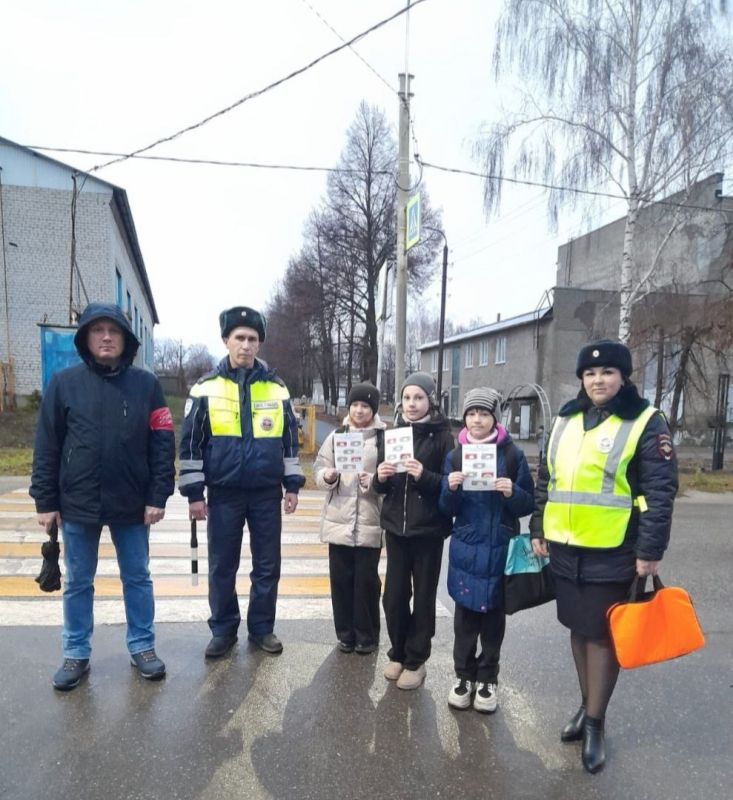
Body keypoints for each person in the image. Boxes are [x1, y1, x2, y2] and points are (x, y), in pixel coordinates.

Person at [530, 340, 678, 774]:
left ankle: (595, 722)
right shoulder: (566, 418)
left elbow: (660, 491)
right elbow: (548, 477)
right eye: (591, 374)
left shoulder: (647, 422)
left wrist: (650, 551)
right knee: (578, 628)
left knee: (601, 635)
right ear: (581, 379)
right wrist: (539, 526)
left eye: (608, 373)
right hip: (565, 546)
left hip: (615, 549)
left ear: (623, 378)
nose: (598, 380)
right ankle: (586, 705)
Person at [30, 302, 175, 690]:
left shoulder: (146, 385)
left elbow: (162, 442)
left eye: (114, 331)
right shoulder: (64, 383)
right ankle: (76, 653)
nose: (106, 337)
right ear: (86, 338)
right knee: (78, 581)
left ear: (126, 340)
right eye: (98, 330)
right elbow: (47, 445)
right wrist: (45, 501)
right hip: (78, 503)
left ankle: (143, 646)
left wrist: (158, 495)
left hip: (132, 502)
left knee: (137, 578)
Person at [178, 306, 305, 658]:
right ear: (226, 341)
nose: (246, 345)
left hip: (266, 493)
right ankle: (223, 629)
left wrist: (291, 485)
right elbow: (190, 444)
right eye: (240, 338)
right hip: (224, 493)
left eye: (252, 339)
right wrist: (194, 493)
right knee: (222, 566)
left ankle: (262, 628)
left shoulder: (277, 388)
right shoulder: (205, 388)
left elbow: (290, 441)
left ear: (259, 344)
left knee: (267, 566)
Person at [439, 387, 535, 713]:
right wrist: (450, 488)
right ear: (464, 417)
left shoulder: (512, 455)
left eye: (483, 413)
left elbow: (528, 503)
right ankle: (463, 677)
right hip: (466, 550)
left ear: (494, 417)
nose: (477, 419)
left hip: (500, 550)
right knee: (464, 620)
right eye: (471, 413)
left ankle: (488, 679)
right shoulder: (454, 456)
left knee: (493, 620)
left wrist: (512, 492)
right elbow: (445, 507)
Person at [375, 372, 454, 690]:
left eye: (418, 398)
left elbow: (450, 484)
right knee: (393, 596)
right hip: (396, 527)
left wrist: (425, 476)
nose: (412, 403)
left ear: (430, 401)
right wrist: (380, 475)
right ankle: (398, 651)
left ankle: (416, 660)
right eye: (407, 398)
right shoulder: (393, 434)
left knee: (423, 598)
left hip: (428, 530)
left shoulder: (443, 437)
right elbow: (383, 484)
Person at [314, 382, 386, 654]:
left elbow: (391, 478)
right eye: (355, 405)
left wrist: (375, 481)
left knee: (366, 582)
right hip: (339, 521)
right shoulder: (337, 436)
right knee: (341, 581)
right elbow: (320, 468)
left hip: (370, 520)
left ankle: (367, 635)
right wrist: (327, 477)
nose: (359, 410)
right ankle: (345, 634)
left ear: (373, 409)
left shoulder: (383, 439)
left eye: (365, 406)